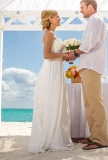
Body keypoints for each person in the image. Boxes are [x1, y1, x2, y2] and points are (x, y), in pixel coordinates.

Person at [28, 10, 75, 153]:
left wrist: (66, 56)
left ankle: (57, 136)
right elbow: (47, 55)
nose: (60, 18)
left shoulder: (53, 35)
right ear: (50, 18)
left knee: (57, 103)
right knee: (52, 103)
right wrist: (63, 54)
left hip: (56, 72)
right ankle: (51, 138)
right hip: (50, 73)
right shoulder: (49, 34)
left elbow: (54, 55)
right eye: (57, 16)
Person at [67, 0, 108, 150]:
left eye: (82, 7)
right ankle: (94, 135)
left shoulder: (96, 20)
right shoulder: (92, 21)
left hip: (92, 65)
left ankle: (100, 139)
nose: (81, 10)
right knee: (89, 103)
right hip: (87, 65)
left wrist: (75, 53)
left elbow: (92, 41)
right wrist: (77, 54)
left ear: (90, 7)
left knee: (95, 102)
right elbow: (89, 42)